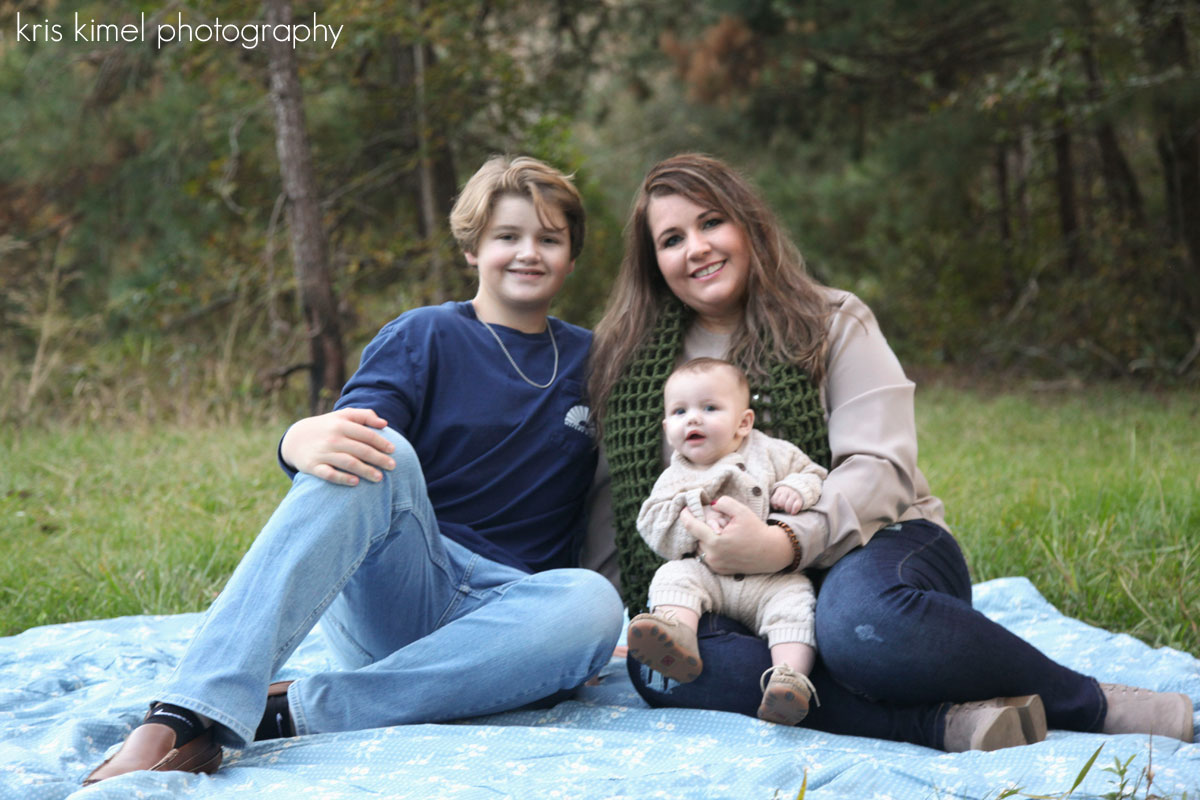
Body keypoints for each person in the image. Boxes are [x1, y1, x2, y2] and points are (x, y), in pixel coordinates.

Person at [587, 152, 1195, 752]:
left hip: (879, 544)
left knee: (855, 629)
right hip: (734, 586)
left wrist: (783, 542)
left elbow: (881, 467)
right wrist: (611, 612)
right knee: (663, 668)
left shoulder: (829, 319)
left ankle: (1093, 703)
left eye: (711, 222)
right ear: (654, 262)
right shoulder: (637, 365)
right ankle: (947, 724)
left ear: (748, 225)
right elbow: (618, 504)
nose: (695, 248)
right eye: (671, 239)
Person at [84, 155, 624, 784]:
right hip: (403, 582)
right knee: (382, 448)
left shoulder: (598, 360)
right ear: (473, 249)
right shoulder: (424, 335)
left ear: (571, 256)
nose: (527, 252)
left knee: (593, 603)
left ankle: (289, 711)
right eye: (507, 236)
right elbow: (344, 451)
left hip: (506, 622)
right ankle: (182, 715)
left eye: (548, 239)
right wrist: (293, 439)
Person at [628, 357, 826, 726]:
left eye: (709, 408)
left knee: (796, 602)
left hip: (769, 577)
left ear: (743, 422)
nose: (693, 419)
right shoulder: (675, 476)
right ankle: (678, 639)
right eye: (680, 411)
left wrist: (796, 488)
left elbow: (813, 473)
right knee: (671, 577)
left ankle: (789, 680)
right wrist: (694, 514)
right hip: (709, 576)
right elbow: (652, 525)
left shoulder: (770, 452)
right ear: (667, 426)